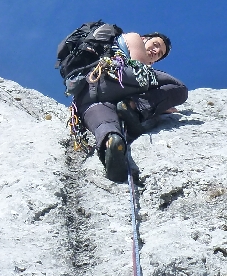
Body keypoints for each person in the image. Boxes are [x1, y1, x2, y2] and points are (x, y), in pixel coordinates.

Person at [71, 27, 188, 183]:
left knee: (105, 125)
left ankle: (111, 144)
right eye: (155, 44)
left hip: (86, 96)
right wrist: (159, 104)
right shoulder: (134, 38)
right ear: (144, 38)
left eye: (159, 53)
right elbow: (140, 71)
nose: (156, 51)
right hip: (114, 76)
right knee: (179, 89)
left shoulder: (114, 47)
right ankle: (132, 106)